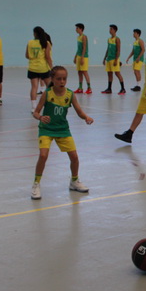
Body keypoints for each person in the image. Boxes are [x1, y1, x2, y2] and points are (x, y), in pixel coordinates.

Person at [31, 65, 94, 200]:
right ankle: (36, 184)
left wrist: (86, 117)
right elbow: (35, 113)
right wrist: (40, 117)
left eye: (64, 79)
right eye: (58, 79)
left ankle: (74, 181)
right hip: (46, 129)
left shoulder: (70, 94)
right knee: (43, 155)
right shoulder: (47, 94)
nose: (62, 81)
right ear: (52, 79)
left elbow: (79, 111)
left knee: (74, 157)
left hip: (62, 129)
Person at [27, 26, 53, 111]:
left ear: (35, 33)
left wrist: (34, 57)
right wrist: (52, 67)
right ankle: (49, 103)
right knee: (49, 86)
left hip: (32, 68)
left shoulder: (30, 42)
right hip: (43, 68)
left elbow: (27, 55)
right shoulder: (46, 43)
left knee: (34, 87)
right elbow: (47, 57)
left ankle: (33, 107)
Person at [102, 24, 125, 95]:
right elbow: (108, 49)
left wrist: (116, 60)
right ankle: (109, 88)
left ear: (115, 30)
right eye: (109, 29)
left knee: (117, 73)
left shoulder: (117, 39)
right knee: (109, 74)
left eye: (111, 29)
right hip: (108, 59)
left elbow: (118, 50)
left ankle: (123, 89)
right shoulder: (109, 39)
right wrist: (104, 58)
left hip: (114, 59)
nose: (110, 30)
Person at [73, 23, 91, 94]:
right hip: (79, 56)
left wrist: (82, 58)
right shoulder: (78, 37)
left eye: (77, 28)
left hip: (84, 57)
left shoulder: (84, 37)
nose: (76, 29)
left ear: (81, 29)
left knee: (84, 72)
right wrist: (75, 57)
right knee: (79, 72)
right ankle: (80, 88)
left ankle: (89, 88)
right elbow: (78, 49)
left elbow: (84, 47)